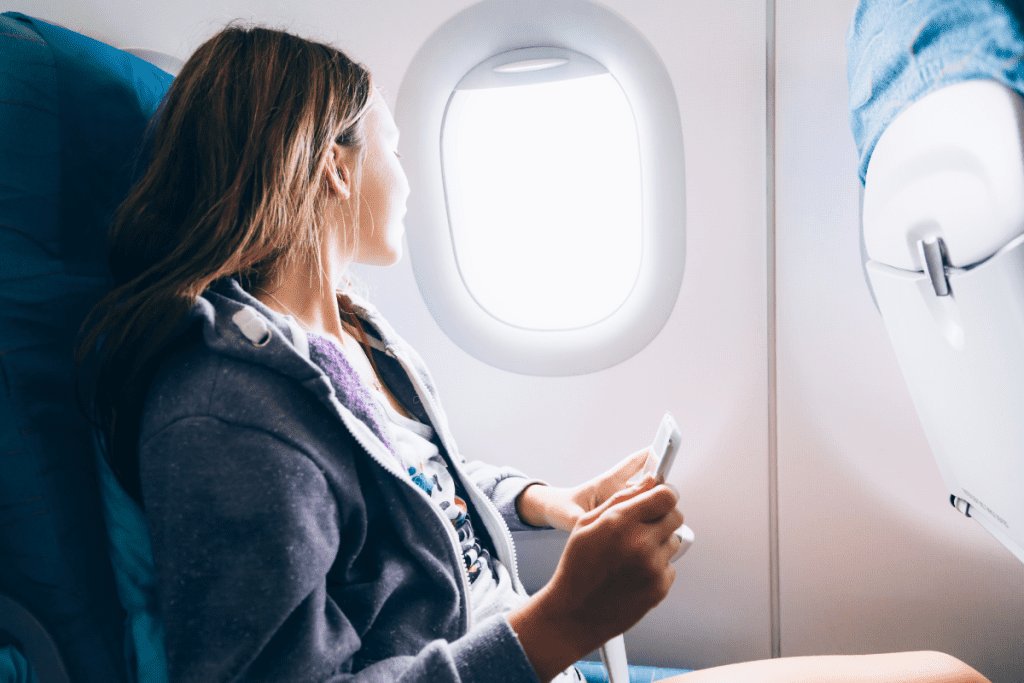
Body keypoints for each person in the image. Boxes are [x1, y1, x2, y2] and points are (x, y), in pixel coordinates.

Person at [75, 23, 990, 683]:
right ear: (336, 167)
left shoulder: (349, 336)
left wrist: (545, 501)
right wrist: (557, 623)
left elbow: (407, 477)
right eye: (393, 144)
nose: (410, 177)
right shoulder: (223, 415)